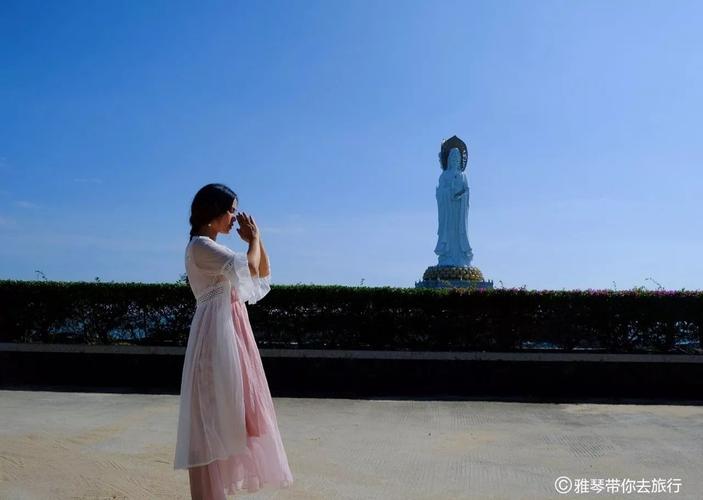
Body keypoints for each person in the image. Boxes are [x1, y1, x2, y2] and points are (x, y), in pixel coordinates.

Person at [174, 183, 293, 499]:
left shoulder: (214, 249)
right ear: (212, 214)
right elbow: (250, 265)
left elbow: (261, 272)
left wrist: (258, 239)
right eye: (229, 210)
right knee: (213, 418)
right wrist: (252, 241)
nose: (234, 216)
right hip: (216, 338)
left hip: (229, 335)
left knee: (231, 416)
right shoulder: (201, 246)